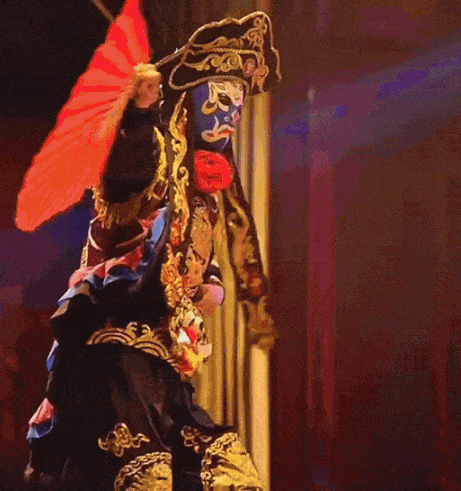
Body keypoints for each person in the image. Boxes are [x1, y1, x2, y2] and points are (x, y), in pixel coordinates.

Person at [20, 9, 281, 491]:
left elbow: (194, 253)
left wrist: (214, 286)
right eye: (219, 100)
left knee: (232, 476)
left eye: (237, 105)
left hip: (162, 369)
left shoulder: (204, 193)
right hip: (113, 360)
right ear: (193, 100)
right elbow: (124, 179)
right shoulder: (158, 155)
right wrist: (139, 114)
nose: (229, 115)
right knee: (145, 479)